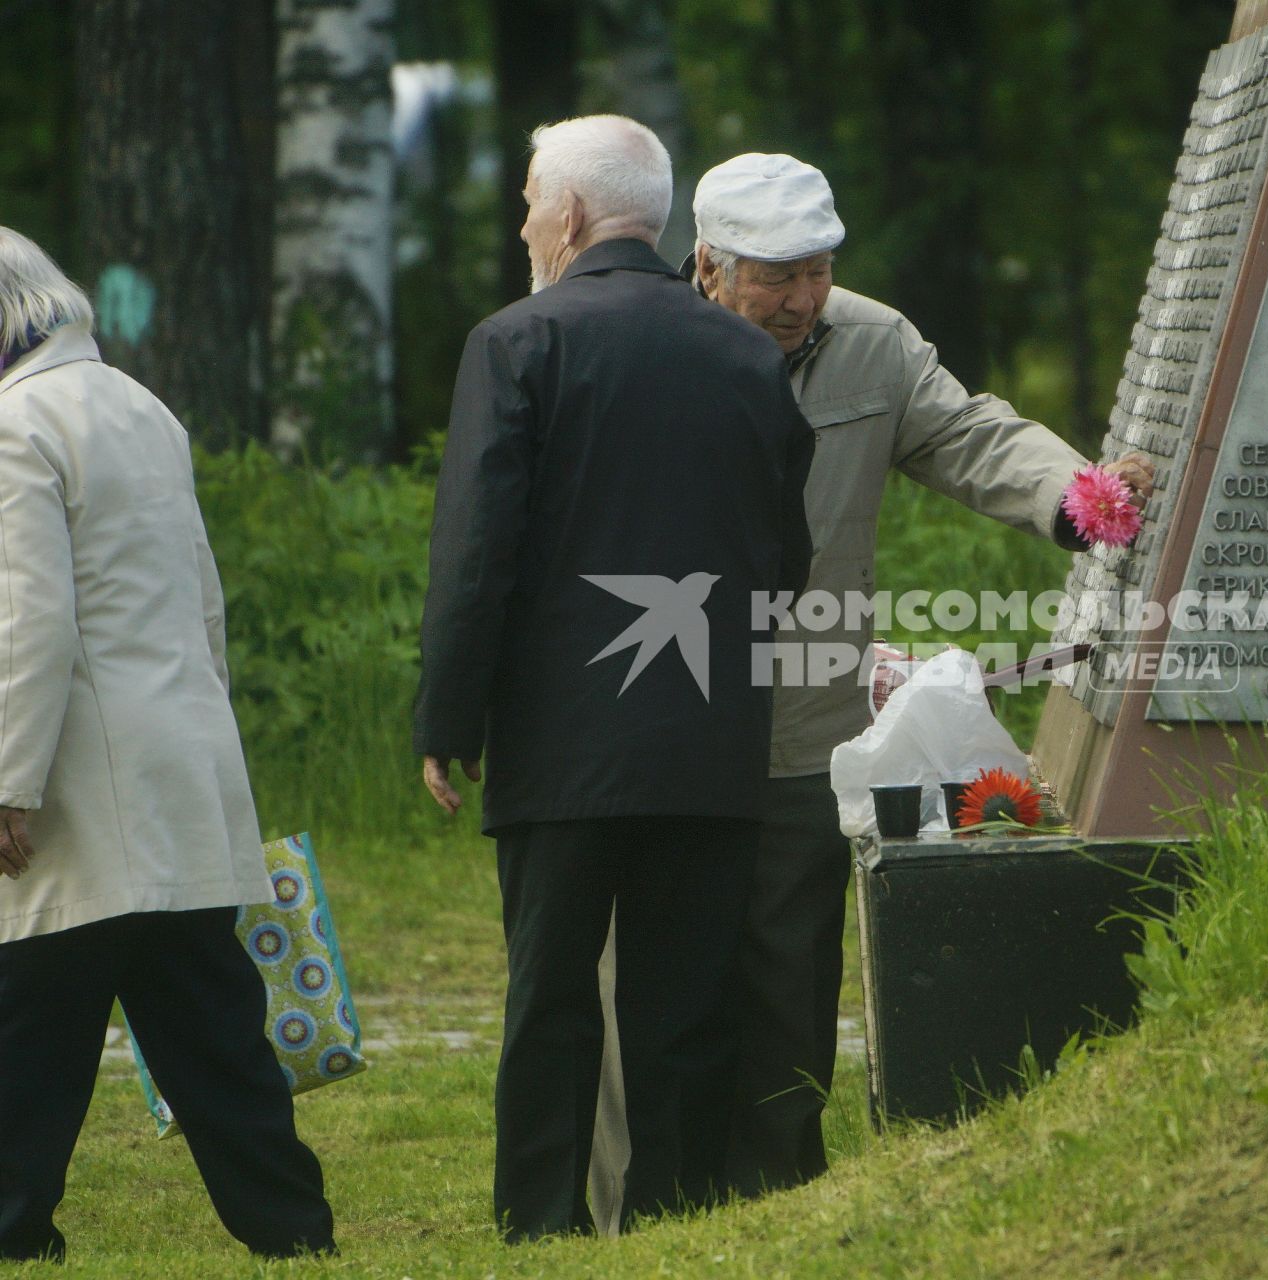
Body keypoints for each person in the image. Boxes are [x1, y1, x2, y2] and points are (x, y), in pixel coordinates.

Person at [589, 153, 1153, 1226]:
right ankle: (640, 1208)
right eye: (776, 276)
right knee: (649, 976)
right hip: (659, 712)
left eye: (818, 269)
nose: (803, 298)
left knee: (789, 975)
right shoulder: (639, 341)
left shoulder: (874, 344)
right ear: (708, 263)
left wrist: (1077, 495)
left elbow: (971, 431)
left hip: (803, 716)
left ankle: (777, 1202)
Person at [413, 118, 813, 1241]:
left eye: (533, 200)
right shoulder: (746, 354)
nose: (526, 222)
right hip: (705, 734)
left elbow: (477, 551)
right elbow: (785, 550)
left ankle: (542, 1222)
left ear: (573, 216)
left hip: (561, 744)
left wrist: (448, 713)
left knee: (548, 999)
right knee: (684, 1002)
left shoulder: (516, 341)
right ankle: (674, 1216)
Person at [0, 227, 335, 1262]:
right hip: (176, 770)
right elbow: (204, 601)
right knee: (215, 1037)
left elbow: (26, 622)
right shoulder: (140, 405)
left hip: (75, 788)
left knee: (25, 1042)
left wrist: (3, 783)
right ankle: (292, 1228)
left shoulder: (15, 428)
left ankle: (14, 1232)